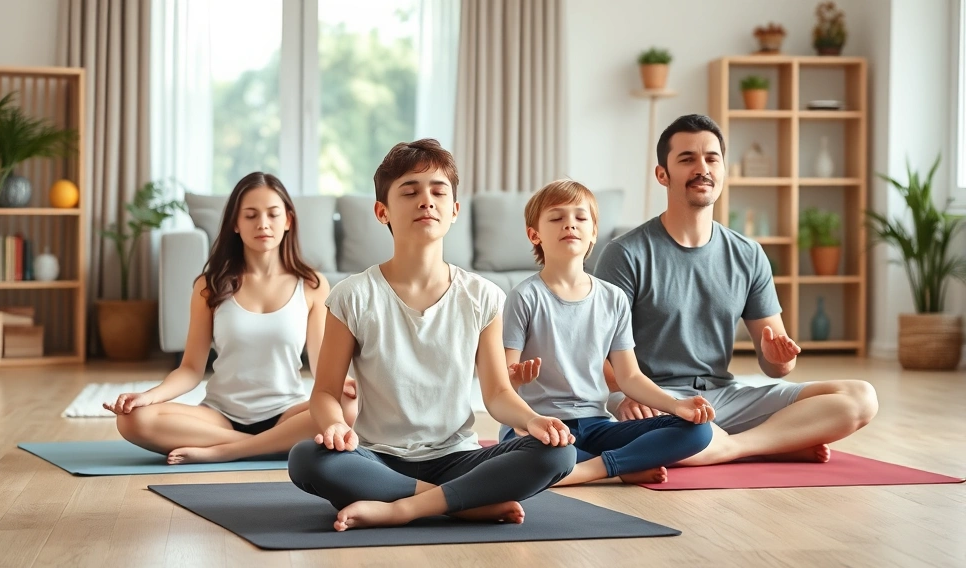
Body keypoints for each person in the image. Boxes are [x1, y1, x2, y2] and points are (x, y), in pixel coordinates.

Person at [288, 138, 577, 532]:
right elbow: (324, 393)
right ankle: (459, 503)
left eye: (438, 191)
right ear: (381, 210)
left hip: (459, 459)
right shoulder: (351, 295)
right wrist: (335, 426)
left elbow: (496, 394)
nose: (426, 200)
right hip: (379, 459)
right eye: (410, 191)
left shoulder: (483, 296)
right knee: (306, 458)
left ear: (454, 210)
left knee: (557, 455)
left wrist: (533, 419)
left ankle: (402, 507)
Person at [594, 114, 878, 466]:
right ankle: (774, 442)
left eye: (712, 158)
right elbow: (594, 353)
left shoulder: (748, 253)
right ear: (662, 175)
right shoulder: (625, 253)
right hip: (655, 400)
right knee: (652, 430)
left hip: (724, 396)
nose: (703, 168)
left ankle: (734, 446)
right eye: (687, 159)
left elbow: (778, 367)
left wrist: (778, 357)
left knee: (860, 396)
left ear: (724, 170)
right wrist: (625, 393)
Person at [104, 172, 357, 464]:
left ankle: (229, 451)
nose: (263, 224)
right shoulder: (209, 285)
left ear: (288, 220)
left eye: (273, 214)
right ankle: (267, 446)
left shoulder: (312, 284)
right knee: (132, 419)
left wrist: (345, 381)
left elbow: (320, 362)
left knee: (348, 406)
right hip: (219, 418)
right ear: (235, 224)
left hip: (286, 414)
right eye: (250, 215)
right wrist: (151, 395)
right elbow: (190, 369)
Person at [500, 178, 714, 486]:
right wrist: (516, 379)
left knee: (698, 430)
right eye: (557, 217)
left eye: (580, 217)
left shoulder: (613, 298)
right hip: (537, 426)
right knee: (535, 452)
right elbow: (503, 381)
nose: (569, 224)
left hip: (596, 426)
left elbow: (629, 378)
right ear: (534, 234)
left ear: (593, 233)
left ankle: (593, 468)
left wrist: (676, 404)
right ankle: (615, 466)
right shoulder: (524, 297)